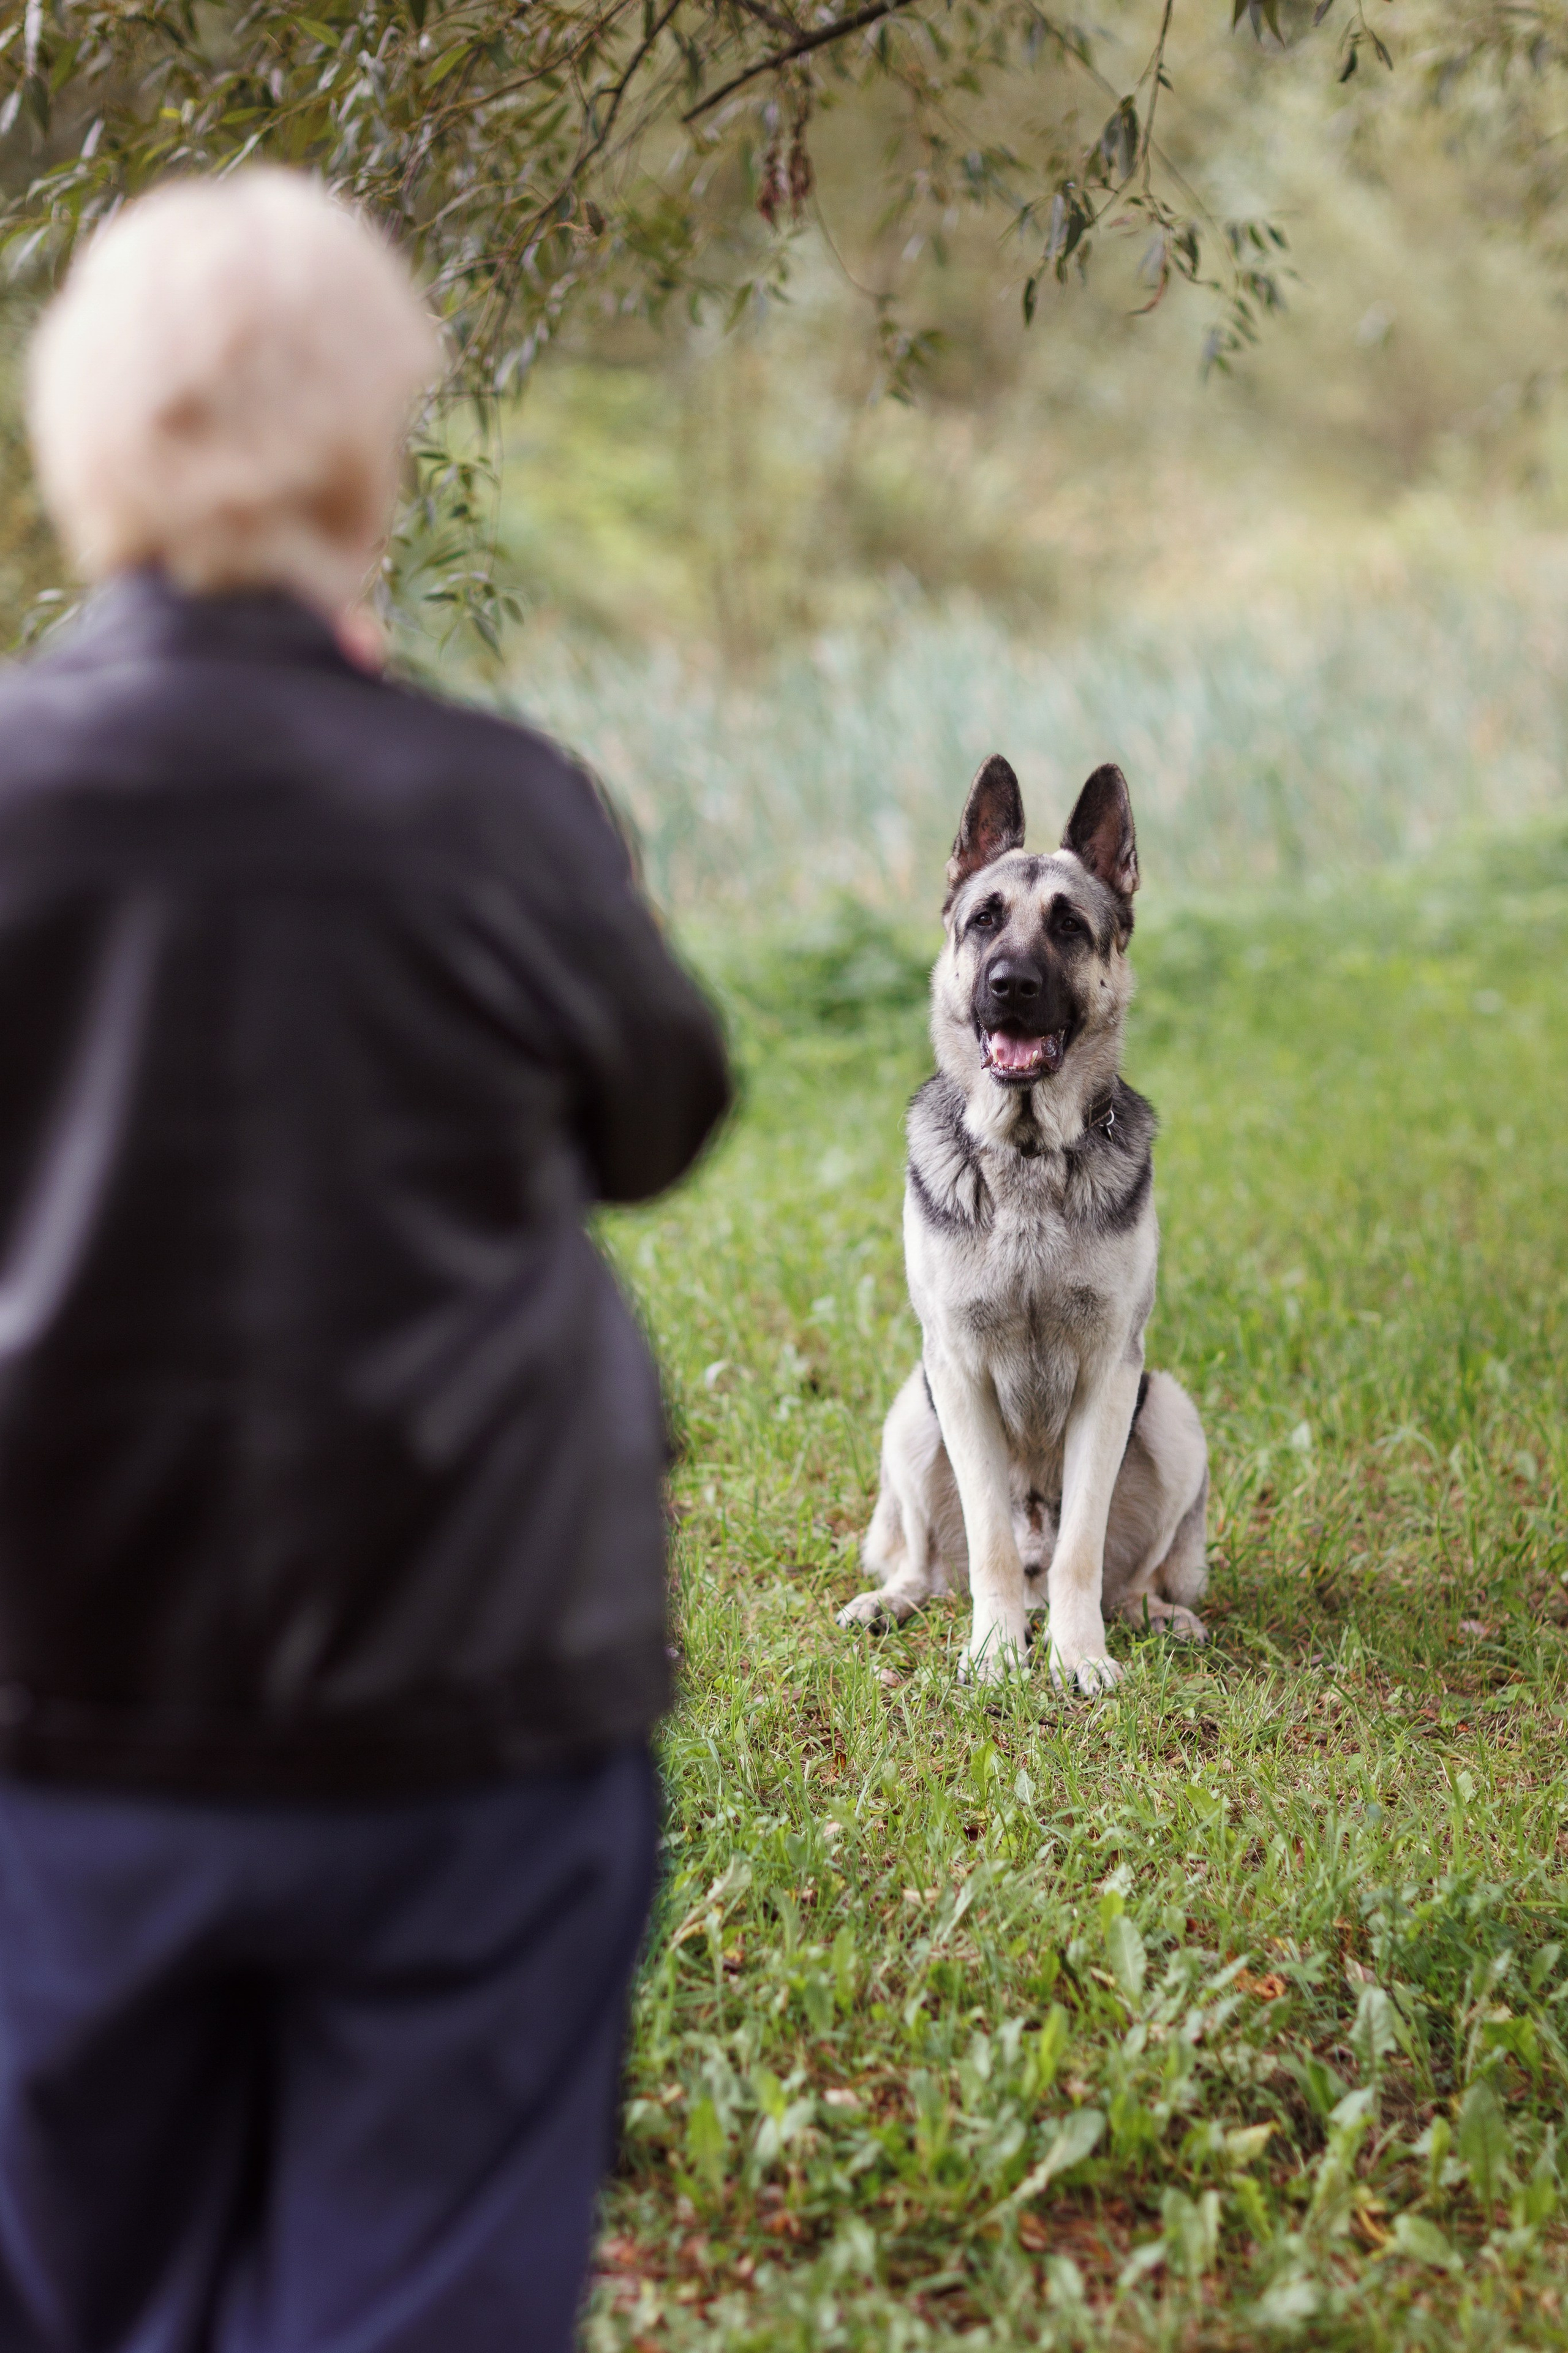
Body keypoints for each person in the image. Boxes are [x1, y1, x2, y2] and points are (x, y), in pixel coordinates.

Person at [0, 170, 728, 2353]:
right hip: (471, 1721)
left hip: (45, 1711)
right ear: (373, 456)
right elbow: (659, 1110)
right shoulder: (497, 808)